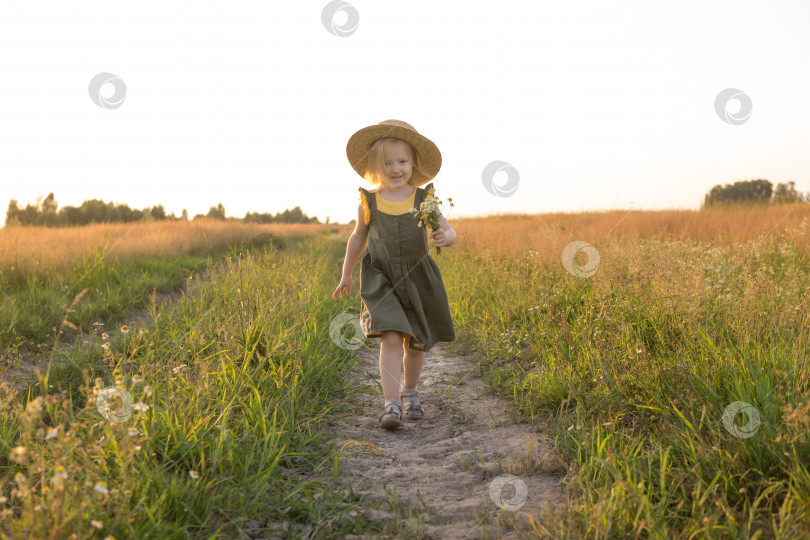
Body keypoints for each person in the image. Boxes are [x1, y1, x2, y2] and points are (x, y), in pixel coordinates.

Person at [332, 119, 457, 430]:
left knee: (414, 342)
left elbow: (447, 229)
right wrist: (346, 274)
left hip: (417, 276)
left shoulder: (423, 200)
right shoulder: (368, 202)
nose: (395, 168)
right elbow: (358, 237)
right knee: (389, 336)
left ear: (412, 164)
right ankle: (390, 403)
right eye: (387, 163)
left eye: (402, 161)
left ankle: (410, 393)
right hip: (382, 278)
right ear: (376, 166)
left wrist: (446, 237)